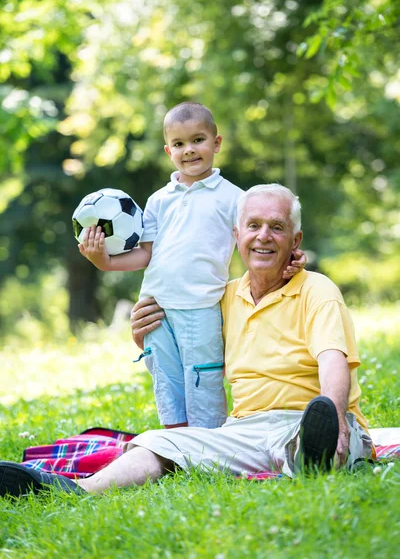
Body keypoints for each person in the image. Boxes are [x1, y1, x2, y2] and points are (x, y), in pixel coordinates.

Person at [0, 184, 372, 498]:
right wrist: (143, 338)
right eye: (253, 225)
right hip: (244, 429)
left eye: (277, 227)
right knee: (157, 442)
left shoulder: (316, 289)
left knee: (316, 437)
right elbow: (192, 354)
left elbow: (332, 360)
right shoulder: (217, 298)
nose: (263, 236)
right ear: (236, 235)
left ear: (296, 239)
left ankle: (316, 453)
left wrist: (336, 417)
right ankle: (74, 490)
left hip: (308, 419)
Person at [78, 101, 306, 430]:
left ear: (216, 143)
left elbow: (260, 237)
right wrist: (105, 261)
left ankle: (208, 442)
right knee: (166, 378)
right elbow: (146, 254)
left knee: (203, 378)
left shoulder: (235, 199)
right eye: (179, 144)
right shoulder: (158, 200)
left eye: (198, 140)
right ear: (168, 150)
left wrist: (292, 257)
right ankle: (176, 441)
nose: (189, 150)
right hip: (155, 304)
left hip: (201, 306)